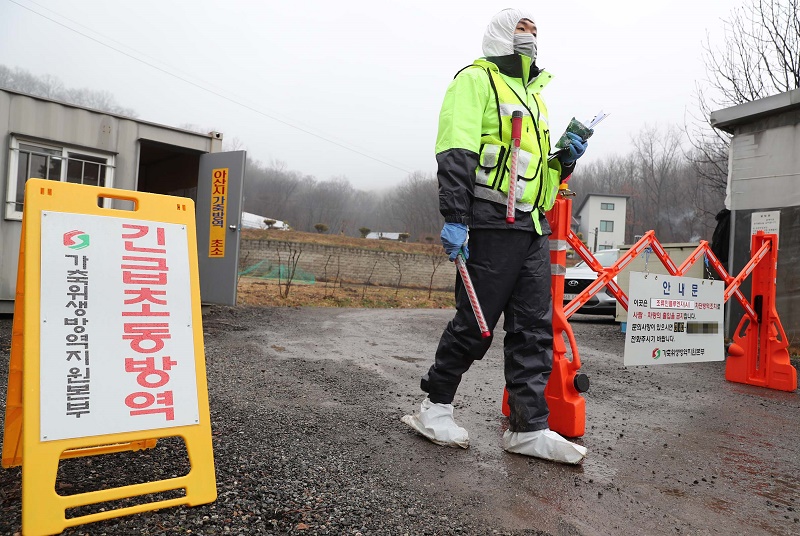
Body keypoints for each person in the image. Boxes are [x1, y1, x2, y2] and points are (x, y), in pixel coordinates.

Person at [401, 8, 589, 464]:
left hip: (530, 225)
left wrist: (564, 160)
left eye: (536, 31)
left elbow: (532, 170)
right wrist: (456, 216)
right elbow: (456, 150)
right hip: (488, 219)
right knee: (476, 323)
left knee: (532, 329)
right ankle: (435, 406)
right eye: (523, 29)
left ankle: (528, 427)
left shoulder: (534, 95)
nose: (530, 38)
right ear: (502, 35)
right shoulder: (475, 80)